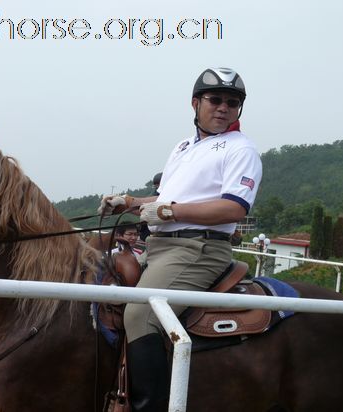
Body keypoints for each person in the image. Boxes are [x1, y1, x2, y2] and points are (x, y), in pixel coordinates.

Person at [98, 67, 262, 411]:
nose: (223, 107)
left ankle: (151, 407)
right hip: (159, 247)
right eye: (215, 100)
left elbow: (234, 208)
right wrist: (129, 203)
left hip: (198, 248)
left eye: (232, 103)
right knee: (100, 287)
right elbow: (164, 200)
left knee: (140, 314)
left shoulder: (241, 149)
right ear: (195, 104)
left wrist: (171, 212)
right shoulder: (184, 147)